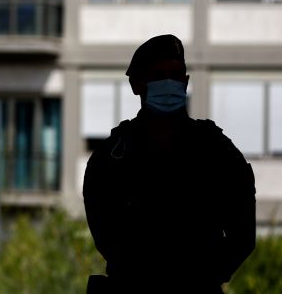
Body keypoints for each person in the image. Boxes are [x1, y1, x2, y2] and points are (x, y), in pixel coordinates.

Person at [82, 34, 255, 294]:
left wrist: (199, 277)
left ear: (186, 82)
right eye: (159, 75)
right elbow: (106, 236)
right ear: (137, 84)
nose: (170, 83)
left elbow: (242, 236)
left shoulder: (217, 151)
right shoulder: (112, 157)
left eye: (176, 75)